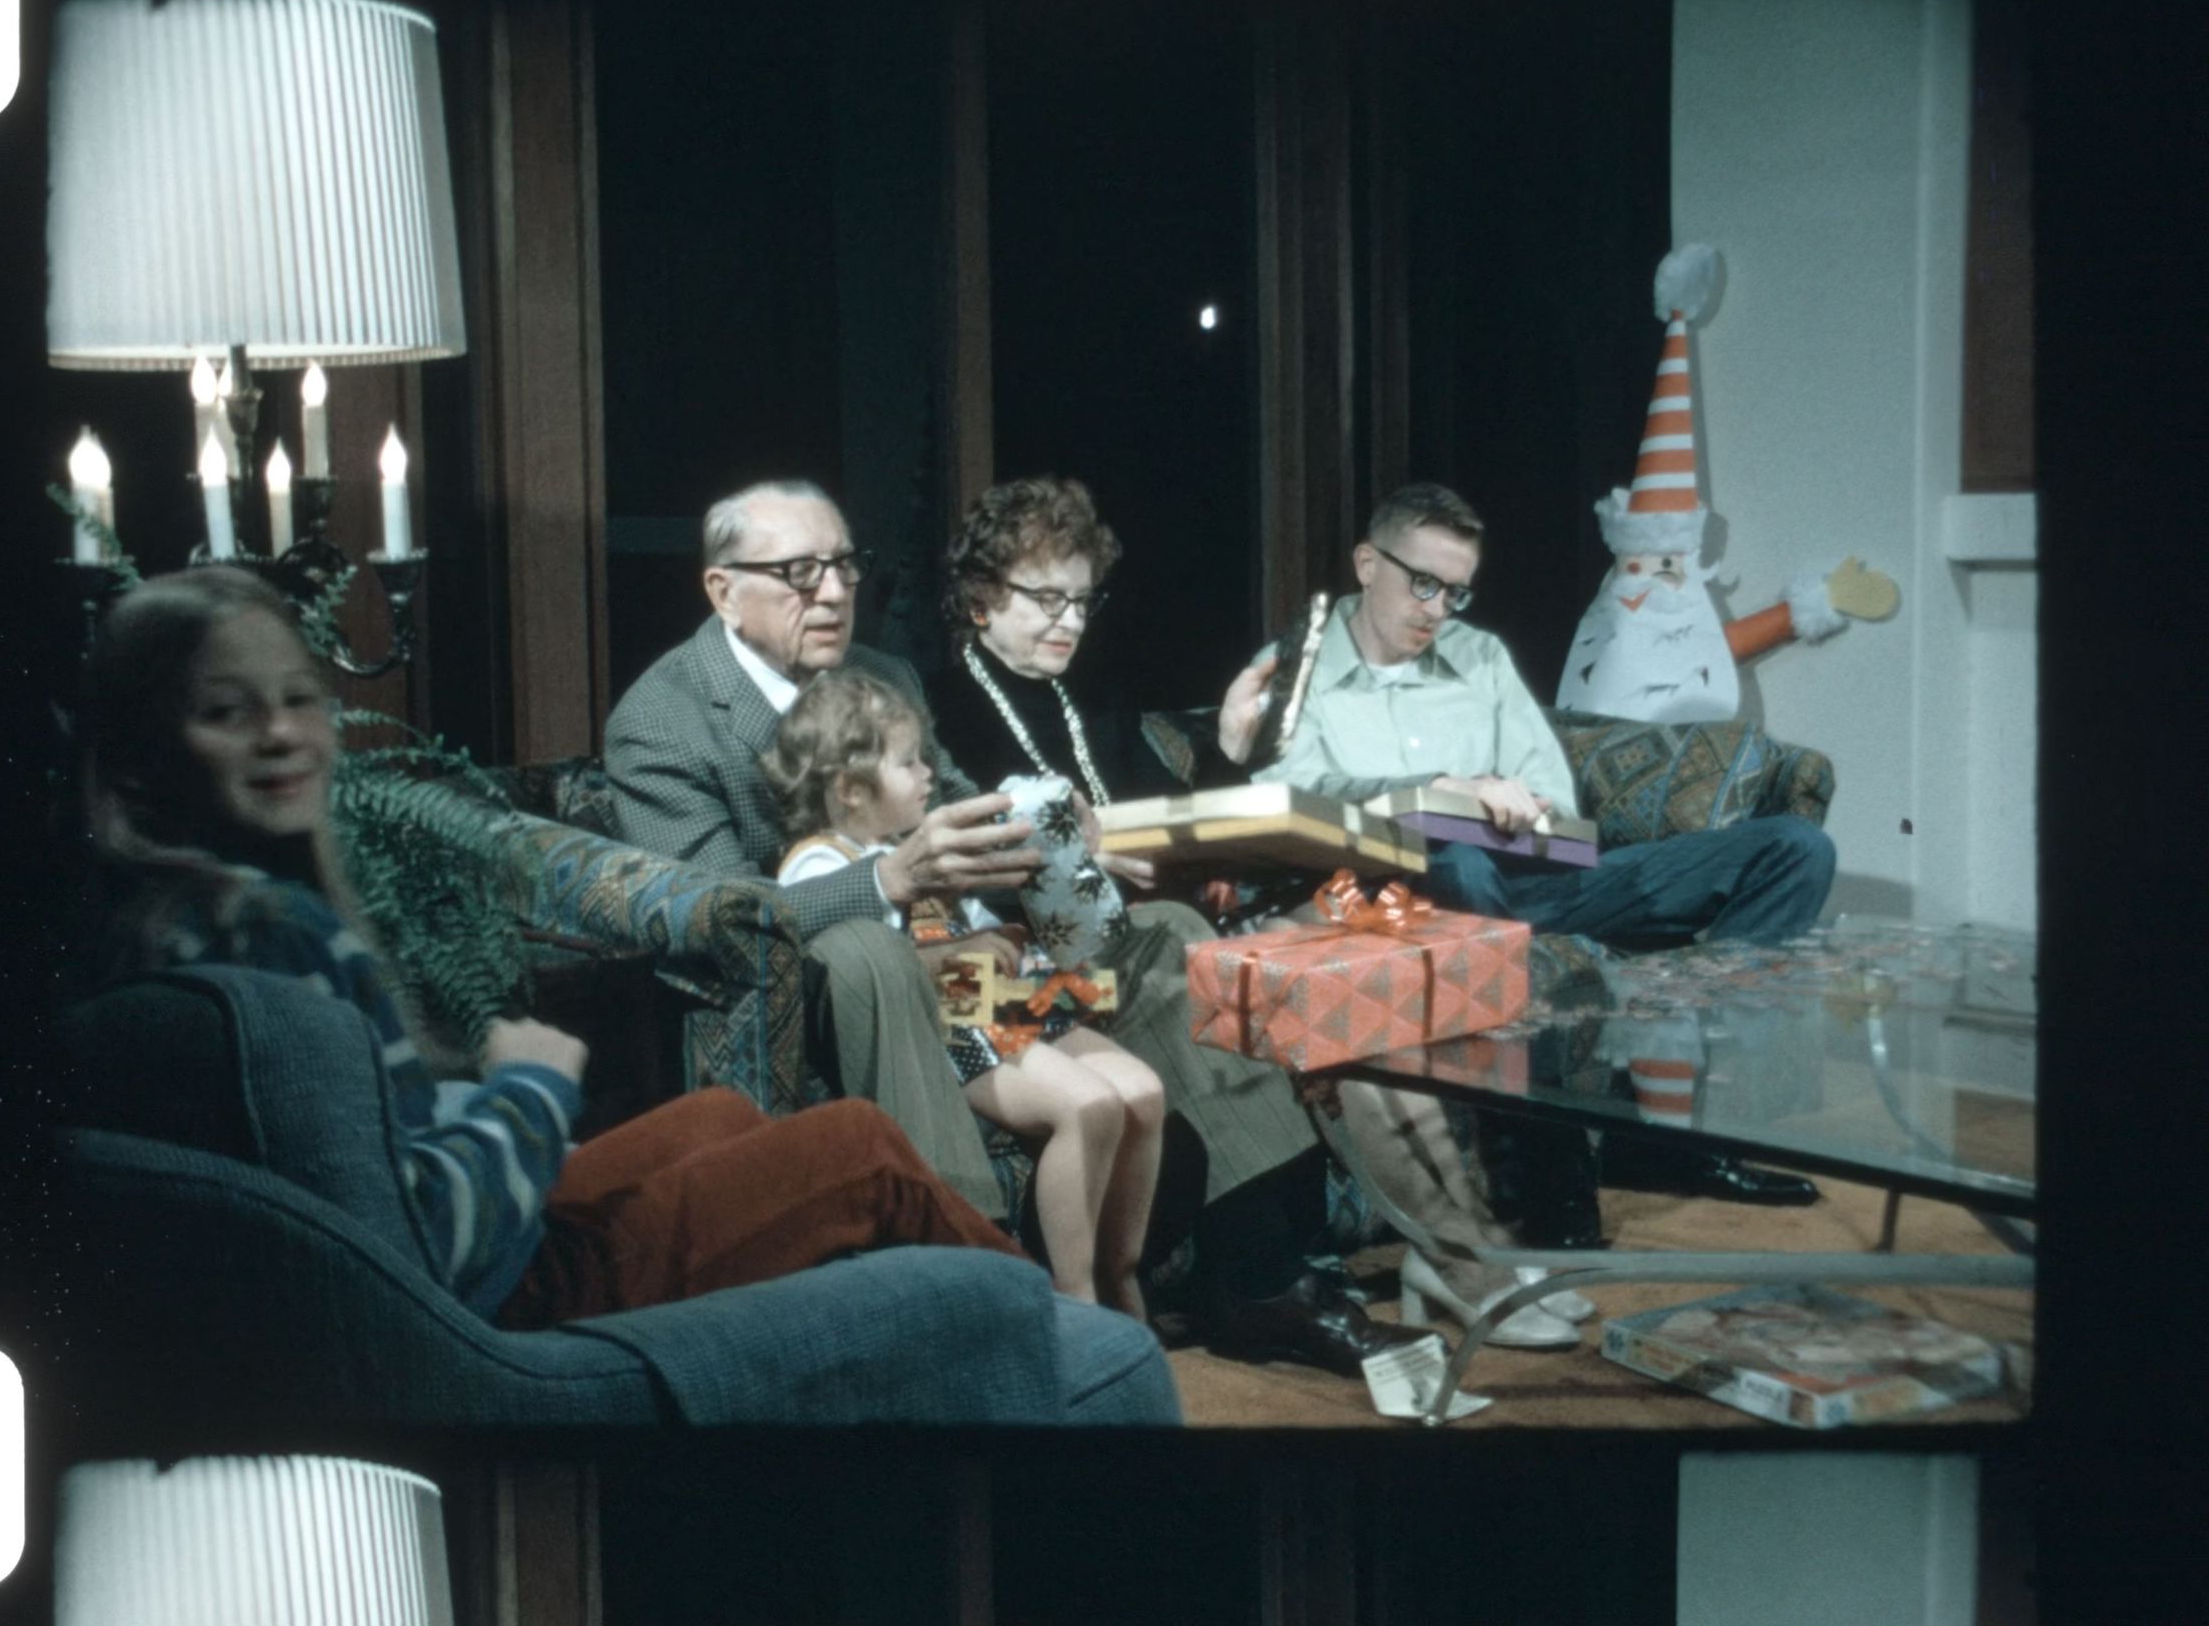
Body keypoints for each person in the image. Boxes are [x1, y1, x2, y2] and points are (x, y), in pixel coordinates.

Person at [606, 479, 1431, 1374]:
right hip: (822, 972)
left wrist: (1055, 836)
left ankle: (1262, 1279)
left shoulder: (882, 673)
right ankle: (965, 1273)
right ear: (723, 589)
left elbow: (966, 803)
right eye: (802, 573)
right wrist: (887, 878)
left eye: (846, 565)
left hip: (958, 956)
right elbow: (716, 914)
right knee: (868, 950)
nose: (836, 592)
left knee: (1163, 927)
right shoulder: (663, 720)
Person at [72, 565, 1028, 1331]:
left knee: (720, 1117)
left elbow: (342, 1150)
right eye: (227, 712)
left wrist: (461, 1104)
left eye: (297, 698)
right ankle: (1064, 1356)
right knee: (860, 1148)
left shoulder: (165, 918)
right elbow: (424, 1243)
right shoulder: (273, 937)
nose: (282, 733)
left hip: (463, 1231)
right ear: (141, 748)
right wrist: (528, 1087)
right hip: (490, 1293)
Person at [934, 474, 1587, 1348]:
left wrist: (1231, 747)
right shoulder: (940, 706)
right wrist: (1082, 854)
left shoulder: (1086, 700)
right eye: (1046, 599)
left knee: (1367, 973)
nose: (1070, 621)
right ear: (981, 597)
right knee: (1273, 983)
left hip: (1157, 931)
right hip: (1045, 969)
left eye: (1083, 601)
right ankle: (1363, 1274)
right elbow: (959, 870)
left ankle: (1460, 1253)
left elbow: (1182, 818)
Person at [1251, 480, 1834, 1208]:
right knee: (1458, 859)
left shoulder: (1479, 656)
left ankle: (1687, 1133)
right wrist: (1436, 787)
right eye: (1423, 584)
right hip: (1396, 891)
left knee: (1792, 849)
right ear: (1368, 564)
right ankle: (1536, 1164)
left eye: (1455, 592)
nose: (1437, 609)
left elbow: (1555, 795)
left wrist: (1516, 803)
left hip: (1527, 879)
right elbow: (1288, 796)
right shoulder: (1300, 666)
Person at [763, 668, 1164, 1319]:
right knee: (1088, 1107)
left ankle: (1121, 1269)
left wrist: (997, 935)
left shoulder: (916, 846)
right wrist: (949, 956)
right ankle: (1075, 1293)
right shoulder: (822, 861)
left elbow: (966, 924)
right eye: (908, 763)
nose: (929, 774)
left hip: (996, 1000)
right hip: (947, 1026)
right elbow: (852, 962)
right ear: (852, 790)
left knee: (1142, 1093)